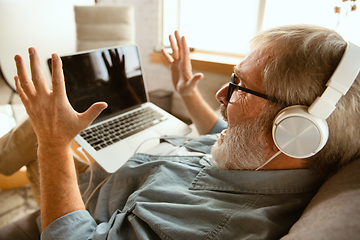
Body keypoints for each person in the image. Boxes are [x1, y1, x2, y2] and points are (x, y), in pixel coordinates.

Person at [0, 24, 359, 239]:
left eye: (240, 87)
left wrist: (53, 144)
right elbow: (228, 130)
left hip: (84, 203)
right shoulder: (271, 157)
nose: (222, 94)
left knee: (39, 124)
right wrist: (187, 92)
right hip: (133, 168)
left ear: (294, 129)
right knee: (57, 118)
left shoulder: (209, 227)